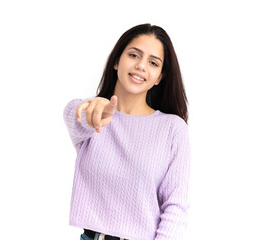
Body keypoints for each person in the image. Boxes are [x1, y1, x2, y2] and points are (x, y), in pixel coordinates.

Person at [63, 23, 191, 240]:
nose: (141, 66)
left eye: (153, 62)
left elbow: (176, 206)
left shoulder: (173, 128)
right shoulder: (92, 114)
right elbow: (75, 116)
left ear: (159, 77)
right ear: (116, 61)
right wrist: (94, 112)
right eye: (134, 55)